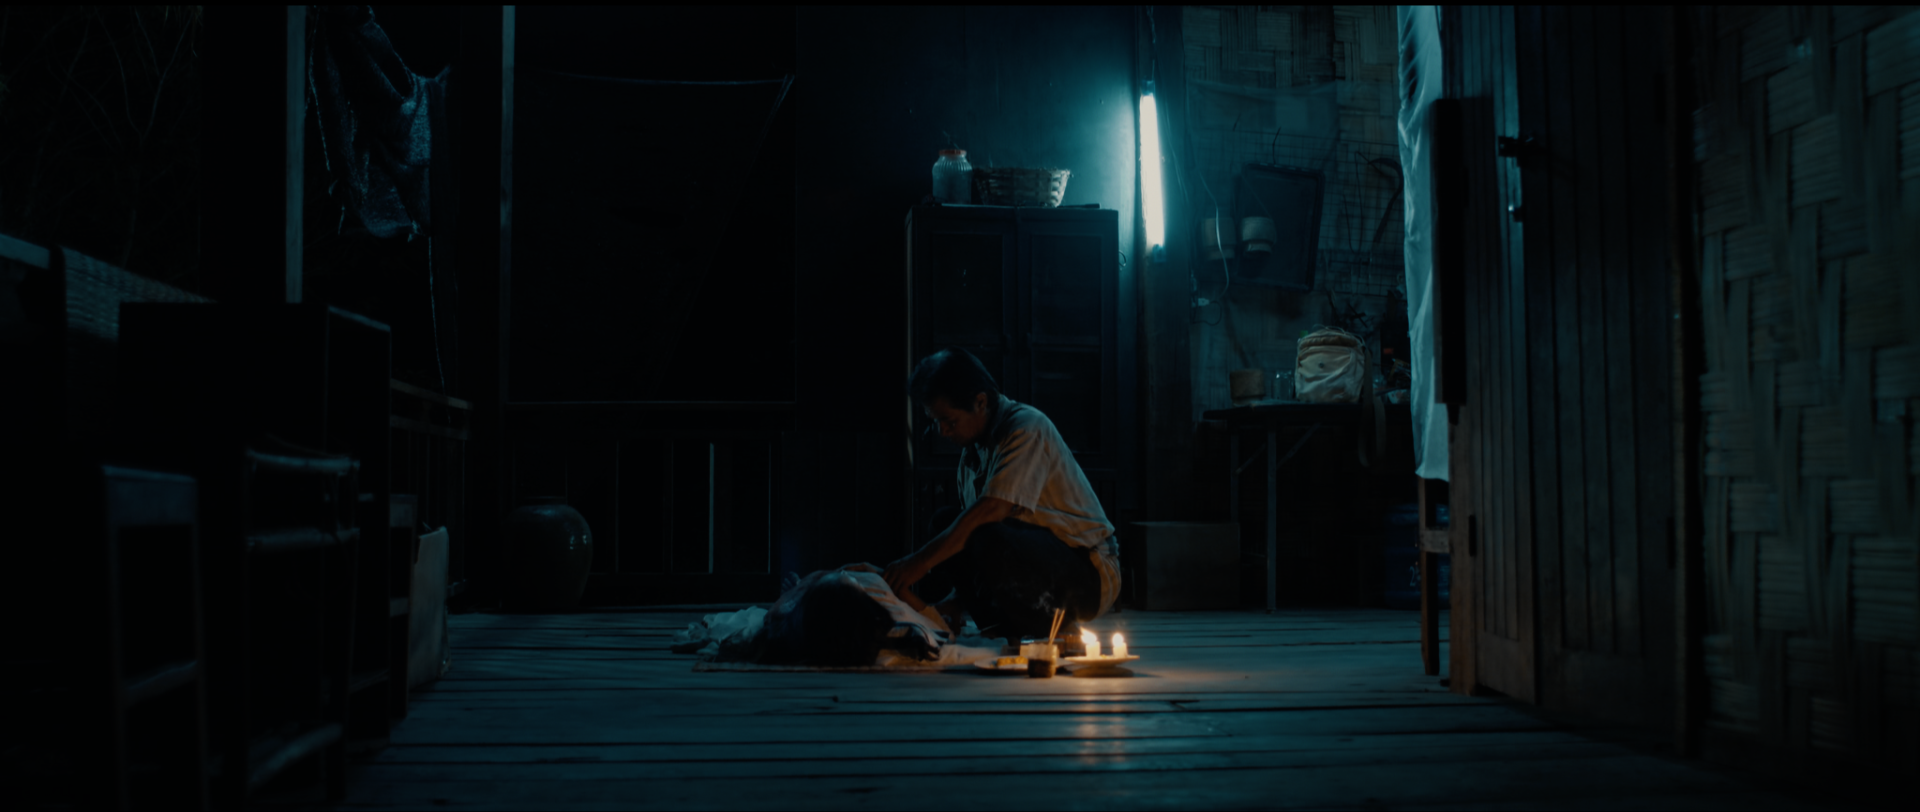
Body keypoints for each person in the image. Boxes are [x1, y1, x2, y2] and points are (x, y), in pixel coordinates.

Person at [882, 348, 1120, 643]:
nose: (942, 431)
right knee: (946, 523)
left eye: (949, 421)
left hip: (1088, 572)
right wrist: (956, 601)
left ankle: (1059, 630)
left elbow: (993, 511)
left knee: (983, 530)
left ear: (980, 402)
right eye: (935, 422)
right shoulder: (971, 457)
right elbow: (972, 545)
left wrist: (919, 562)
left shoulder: (1027, 427)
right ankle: (1001, 627)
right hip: (1039, 566)